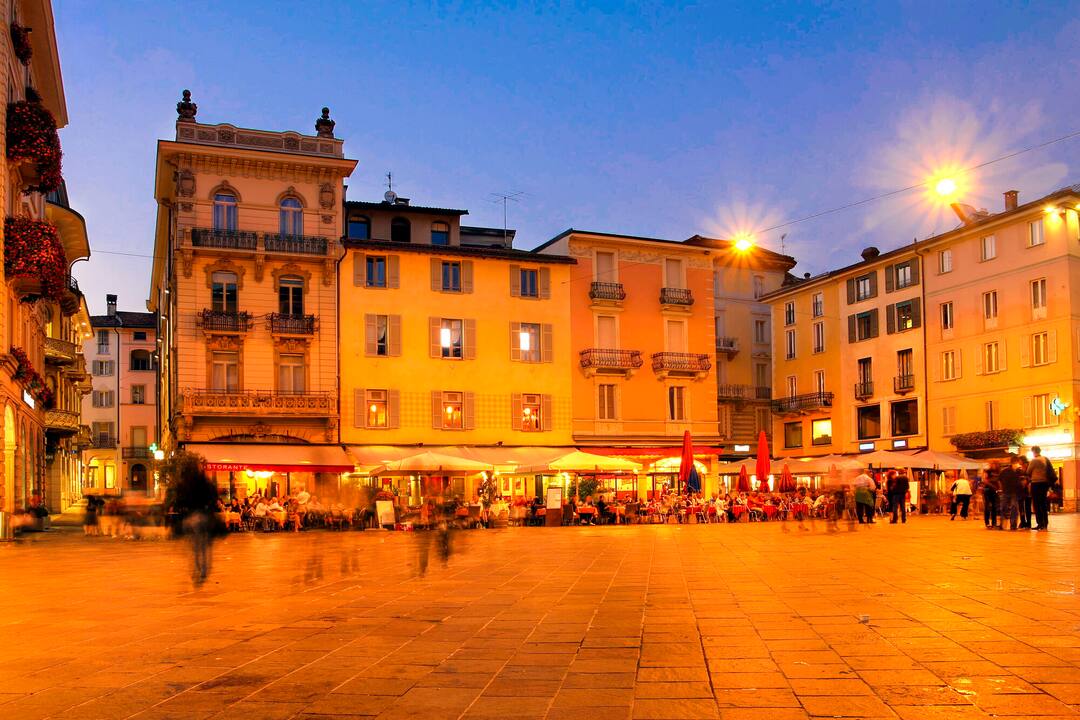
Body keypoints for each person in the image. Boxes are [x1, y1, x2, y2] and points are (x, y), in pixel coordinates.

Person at [172, 458, 220, 587]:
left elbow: (180, 499)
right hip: (204, 516)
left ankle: (196, 570)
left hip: (191, 517)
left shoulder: (186, 483)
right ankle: (204, 570)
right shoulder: (205, 482)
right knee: (204, 546)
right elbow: (214, 497)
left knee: (194, 547)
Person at [1027, 446, 1052, 531]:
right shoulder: (1045, 459)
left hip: (1036, 483)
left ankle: (1040, 523)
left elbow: (1028, 471)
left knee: (1037, 504)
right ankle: (1045, 523)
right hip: (1044, 483)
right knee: (1043, 504)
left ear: (1034, 452)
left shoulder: (1034, 460)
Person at [998, 455, 1021, 531]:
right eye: (1015, 462)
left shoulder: (1018, 471)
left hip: (1014, 492)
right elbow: (999, 480)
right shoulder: (1005, 471)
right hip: (1006, 492)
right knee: (1004, 508)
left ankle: (1013, 526)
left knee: (1014, 508)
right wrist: (1001, 488)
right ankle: (1003, 524)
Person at [981, 464, 1000, 529]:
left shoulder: (997, 471)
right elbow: (984, 480)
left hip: (994, 491)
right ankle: (987, 523)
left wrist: (999, 488)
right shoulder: (987, 471)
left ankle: (994, 523)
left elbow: (998, 481)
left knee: (994, 506)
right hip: (987, 490)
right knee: (987, 506)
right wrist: (992, 486)